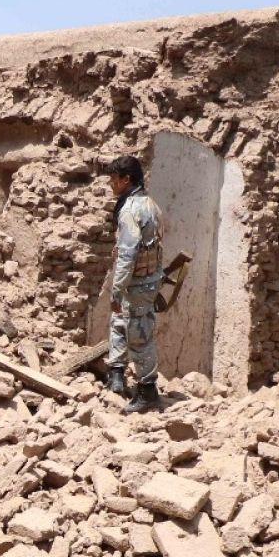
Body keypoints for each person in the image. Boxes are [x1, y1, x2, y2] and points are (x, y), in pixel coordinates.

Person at [102, 155, 167, 414]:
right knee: (119, 323)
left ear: (126, 179)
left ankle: (147, 391)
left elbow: (128, 255)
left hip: (136, 283)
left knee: (139, 335)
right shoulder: (151, 205)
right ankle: (116, 376)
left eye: (113, 180)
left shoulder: (130, 211)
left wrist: (117, 290)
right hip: (147, 280)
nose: (111, 185)